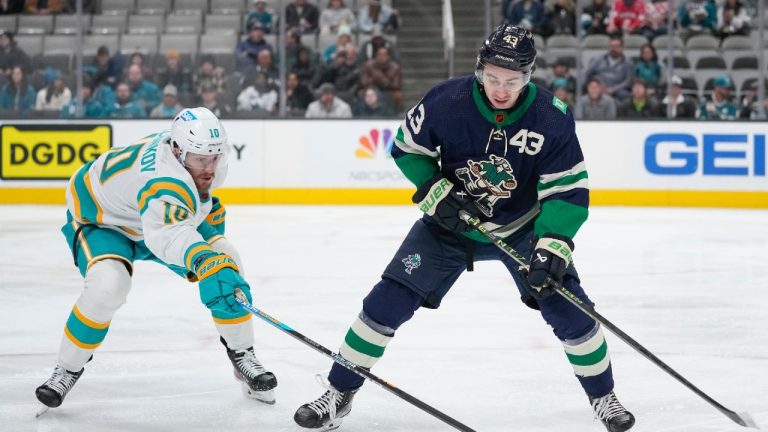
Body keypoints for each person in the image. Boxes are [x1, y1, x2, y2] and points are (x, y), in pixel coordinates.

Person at [293, 24, 635, 432]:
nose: (501, 89)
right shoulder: (447, 100)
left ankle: (603, 396)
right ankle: (338, 392)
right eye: (492, 78)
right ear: (479, 69)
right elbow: (406, 148)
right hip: (449, 227)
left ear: (529, 75)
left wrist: (551, 244)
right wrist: (436, 190)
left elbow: (567, 190)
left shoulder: (551, 117)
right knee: (385, 303)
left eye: (512, 80)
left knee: (572, 312)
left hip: (522, 229)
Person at [34, 107, 278, 414]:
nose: (210, 167)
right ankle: (66, 369)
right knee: (109, 286)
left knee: (227, 258)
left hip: (152, 213)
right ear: (177, 151)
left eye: (214, 157)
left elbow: (186, 212)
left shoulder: (200, 159)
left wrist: (216, 257)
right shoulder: (165, 180)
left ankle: (242, 354)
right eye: (201, 159)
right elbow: (167, 234)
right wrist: (205, 261)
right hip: (104, 221)